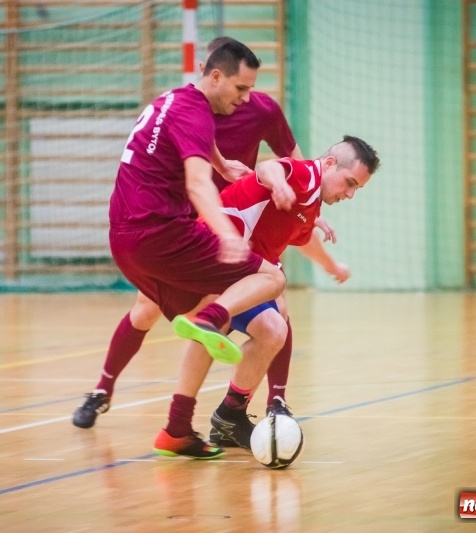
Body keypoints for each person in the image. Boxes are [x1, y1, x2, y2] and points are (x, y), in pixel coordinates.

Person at [72, 36, 306, 431]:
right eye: (240, 88)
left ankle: (247, 409)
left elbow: (287, 162)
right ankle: (112, 391)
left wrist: (223, 164)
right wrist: (225, 234)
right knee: (262, 286)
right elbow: (198, 183)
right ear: (214, 75)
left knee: (265, 310)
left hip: (138, 232)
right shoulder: (197, 111)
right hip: (174, 230)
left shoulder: (176, 100)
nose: (245, 98)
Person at [204, 135, 380, 449]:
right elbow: (268, 168)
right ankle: (252, 406)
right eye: (349, 183)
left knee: (276, 317)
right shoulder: (305, 174)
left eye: (357, 189)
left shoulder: (311, 204)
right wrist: (279, 184)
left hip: (237, 262)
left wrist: (331, 265)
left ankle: (236, 413)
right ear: (329, 164)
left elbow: (303, 238)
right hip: (216, 253)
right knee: (274, 309)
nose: (350, 194)